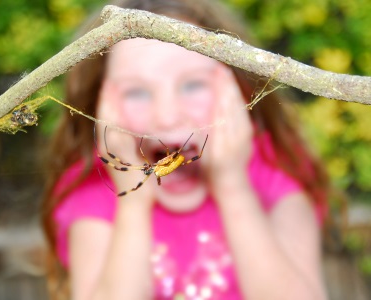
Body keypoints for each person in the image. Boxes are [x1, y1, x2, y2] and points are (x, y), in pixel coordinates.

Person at [41, 0, 331, 299]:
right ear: (99, 104)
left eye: (193, 85)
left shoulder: (278, 169)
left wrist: (233, 186)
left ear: (239, 88)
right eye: (136, 91)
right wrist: (133, 206)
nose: (167, 117)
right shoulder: (94, 189)